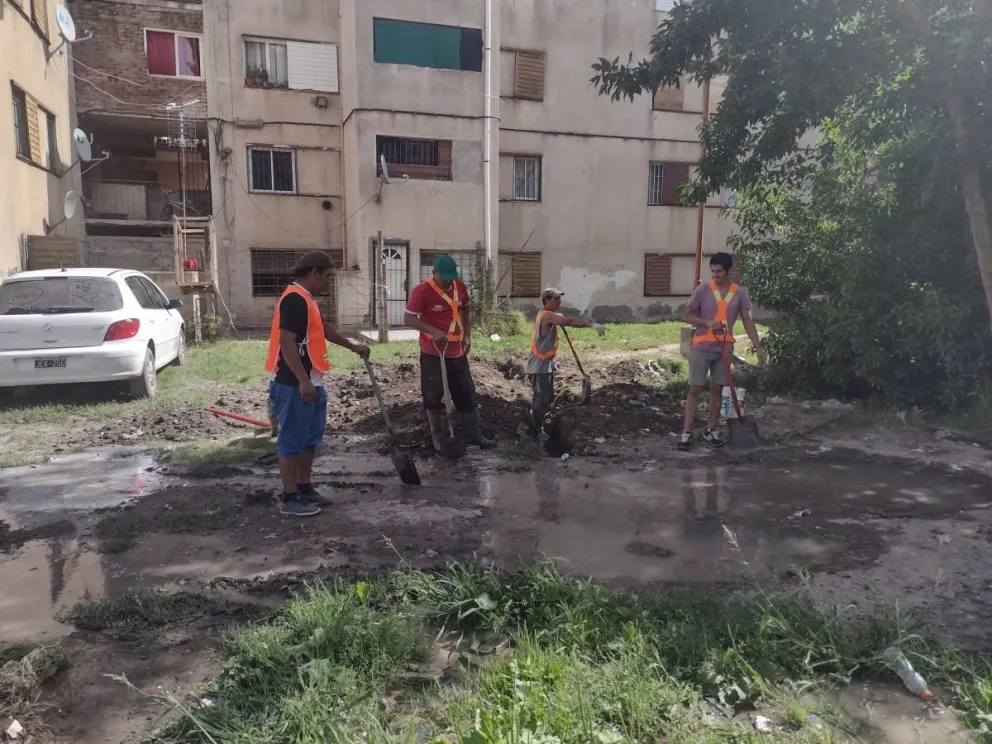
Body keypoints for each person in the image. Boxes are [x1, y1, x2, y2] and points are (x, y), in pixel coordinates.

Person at [264, 250, 370, 517]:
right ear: (314, 273)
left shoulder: (307, 299)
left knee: (310, 440)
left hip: (311, 380)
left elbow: (323, 329)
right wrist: (303, 381)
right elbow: (286, 341)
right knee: (291, 441)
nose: (328, 282)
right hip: (292, 383)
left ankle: (304, 488)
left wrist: (352, 346)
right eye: (327, 276)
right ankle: (290, 498)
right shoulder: (294, 300)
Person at [403, 255, 494, 451]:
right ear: (434, 273)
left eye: (450, 278)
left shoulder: (458, 286)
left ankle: (473, 435)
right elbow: (409, 318)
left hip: (456, 350)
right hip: (433, 351)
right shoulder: (422, 291)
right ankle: (437, 438)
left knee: (465, 391)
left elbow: (466, 308)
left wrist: (467, 336)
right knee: (433, 394)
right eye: (444, 278)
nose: (448, 283)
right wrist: (433, 331)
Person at [679, 252, 765, 451]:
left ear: (728, 271)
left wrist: (758, 348)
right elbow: (687, 315)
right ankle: (686, 432)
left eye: (719, 271)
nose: (715, 275)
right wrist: (707, 322)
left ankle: (710, 430)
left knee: (717, 390)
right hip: (701, 349)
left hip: (724, 351)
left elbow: (748, 321)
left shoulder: (740, 293)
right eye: (713, 271)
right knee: (695, 389)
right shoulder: (703, 290)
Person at [527, 288, 605, 440]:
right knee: (540, 400)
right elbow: (570, 321)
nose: (559, 302)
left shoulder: (548, 315)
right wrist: (592, 325)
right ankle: (536, 432)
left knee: (546, 398)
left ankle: (541, 425)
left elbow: (561, 319)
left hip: (546, 365)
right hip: (539, 367)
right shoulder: (547, 316)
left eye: (559, 298)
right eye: (556, 299)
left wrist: (560, 318)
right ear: (546, 301)